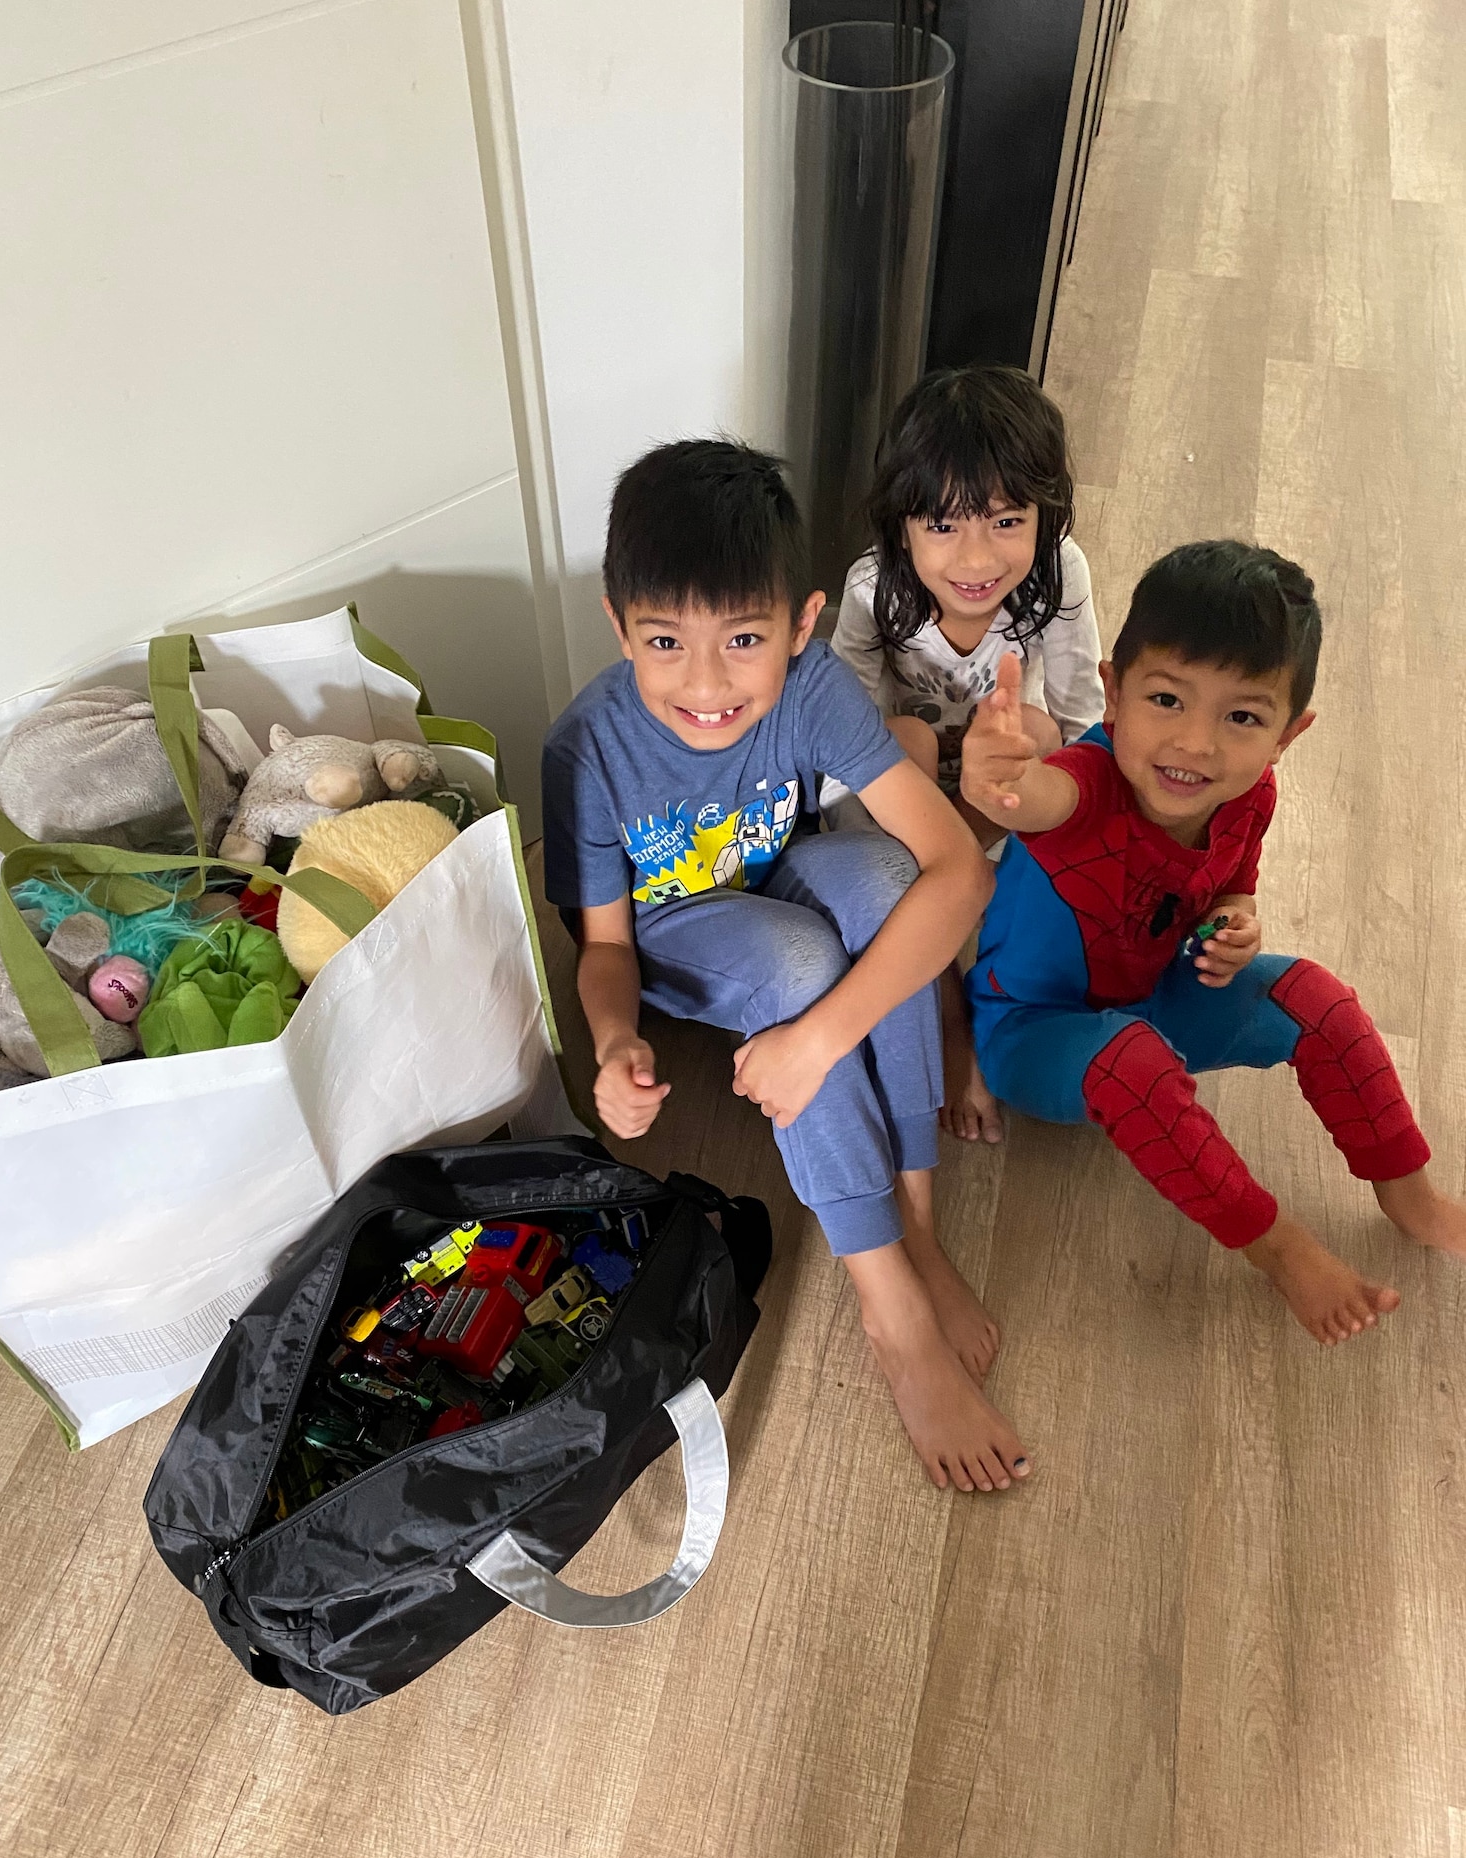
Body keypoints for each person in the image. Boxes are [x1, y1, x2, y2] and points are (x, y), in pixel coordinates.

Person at [541, 439, 1031, 1494]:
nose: (706, 683)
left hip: (775, 882)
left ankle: (918, 1219)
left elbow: (954, 870)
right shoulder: (587, 747)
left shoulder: (812, 688)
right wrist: (617, 1039)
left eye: (745, 640)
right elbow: (608, 944)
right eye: (664, 640)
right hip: (679, 932)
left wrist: (822, 1039)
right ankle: (887, 1298)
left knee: (882, 878)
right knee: (800, 951)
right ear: (618, 620)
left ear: (802, 626)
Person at [959, 540, 1466, 1344]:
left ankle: (1411, 1197)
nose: (1195, 744)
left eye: (1241, 717)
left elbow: (1234, 883)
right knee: (1133, 1062)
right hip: (1031, 1030)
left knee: (1318, 1002)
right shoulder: (1085, 786)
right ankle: (1278, 1249)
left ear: (1287, 736)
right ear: (1114, 694)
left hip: (1160, 992)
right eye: (1167, 700)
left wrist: (1238, 924)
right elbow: (1035, 797)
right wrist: (996, 781)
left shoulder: (1250, 792)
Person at [827, 365, 1105, 1142]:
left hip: (1003, 786)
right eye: (944, 526)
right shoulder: (871, 589)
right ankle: (952, 998)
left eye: (1006, 521)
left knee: (1037, 731)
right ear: (901, 526)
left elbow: (1084, 717)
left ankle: (956, 908)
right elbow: (840, 733)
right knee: (905, 733)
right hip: (903, 796)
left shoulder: (1060, 569)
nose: (977, 560)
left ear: (1044, 518)